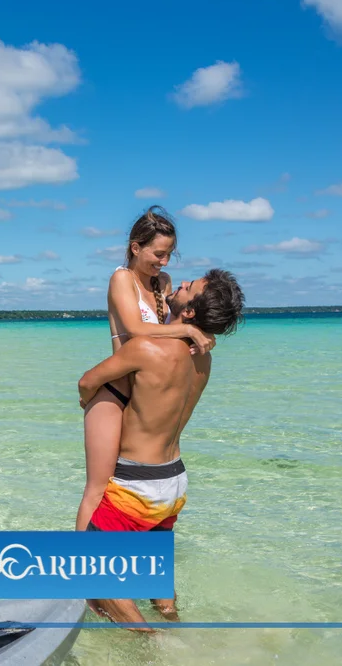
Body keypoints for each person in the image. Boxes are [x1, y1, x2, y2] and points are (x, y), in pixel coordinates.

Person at [77, 268, 245, 631]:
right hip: (174, 482)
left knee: (94, 573)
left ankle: (154, 643)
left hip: (138, 484)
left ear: (190, 311)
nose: (181, 283)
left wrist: (89, 400)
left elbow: (87, 381)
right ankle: (177, 628)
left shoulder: (146, 349)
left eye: (189, 287)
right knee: (158, 587)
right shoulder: (204, 359)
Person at [75, 206, 216, 532]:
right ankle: (78, 558)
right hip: (114, 392)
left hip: (145, 395)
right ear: (136, 247)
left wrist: (203, 336)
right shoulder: (121, 279)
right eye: (158, 254)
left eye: (169, 254)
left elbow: (173, 329)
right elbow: (137, 330)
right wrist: (188, 330)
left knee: (127, 482)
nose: (164, 262)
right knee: (97, 489)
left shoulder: (163, 282)